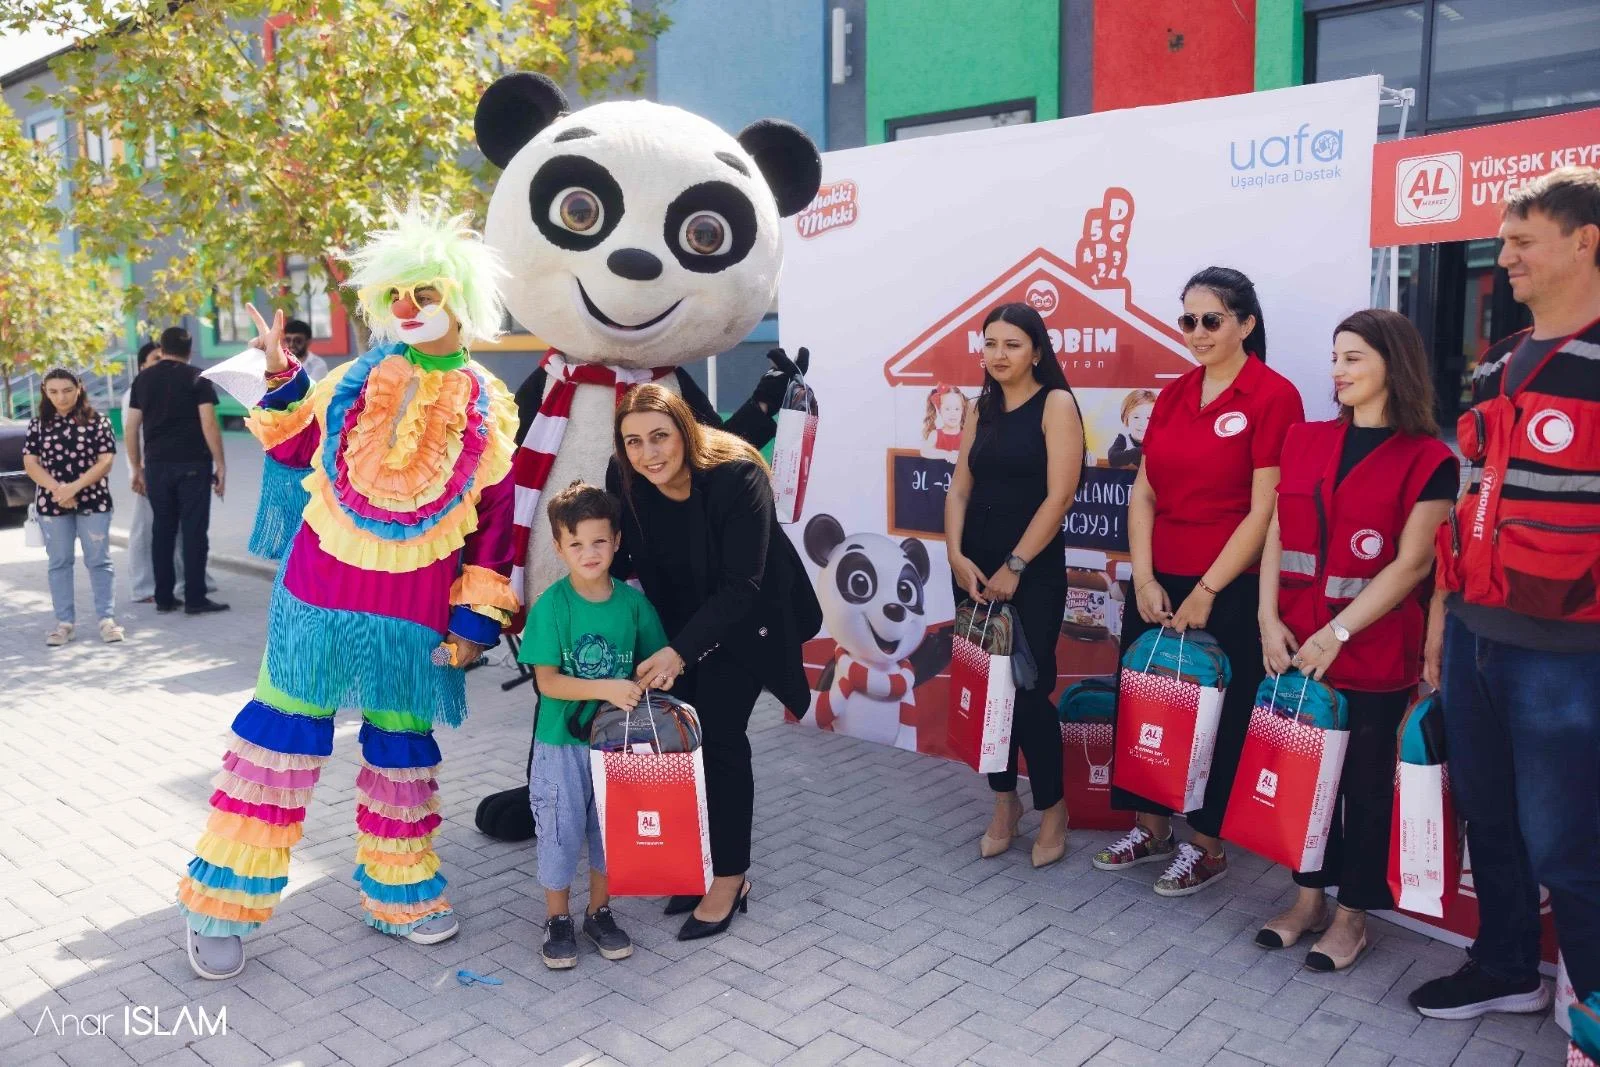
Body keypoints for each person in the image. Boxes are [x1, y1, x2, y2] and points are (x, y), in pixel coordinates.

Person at [176, 203, 521, 981]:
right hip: (317, 598)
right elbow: (298, 444)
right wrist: (276, 373)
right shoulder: (352, 379)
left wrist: (473, 623)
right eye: (394, 293)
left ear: (461, 297)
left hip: (414, 615)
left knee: (402, 754)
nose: (406, 307)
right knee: (276, 744)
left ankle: (398, 890)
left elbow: (496, 525)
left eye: (423, 290)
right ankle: (222, 902)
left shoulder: (491, 404)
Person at [1411, 166, 1600, 1020]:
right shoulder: (1492, 363)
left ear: (1584, 241)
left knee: (1569, 839)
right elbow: (1465, 501)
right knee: (1487, 817)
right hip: (1474, 637)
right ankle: (1508, 966)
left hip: (1569, 654)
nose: (1504, 257)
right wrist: (1440, 622)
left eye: (1522, 241)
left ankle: (1590, 1002)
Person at [1255, 308, 1457, 972]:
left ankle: (1352, 917)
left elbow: (1412, 564)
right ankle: (1307, 899)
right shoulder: (1303, 439)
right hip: (1294, 647)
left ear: (1392, 365)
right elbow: (1279, 531)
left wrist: (1337, 631)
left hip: (1369, 652)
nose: (1337, 370)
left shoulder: (1429, 459)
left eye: (1353, 358)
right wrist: (1266, 618)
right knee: (1303, 781)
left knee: (1363, 792)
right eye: (1335, 356)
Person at [1094, 266, 1304, 896]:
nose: (1197, 332)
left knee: (1221, 714)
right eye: (1187, 320)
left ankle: (1207, 846)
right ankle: (1150, 828)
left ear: (1247, 323)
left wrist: (1208, 589)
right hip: (1160, 580)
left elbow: (1264, 511)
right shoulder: (1176, 393)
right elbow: (1144, 494)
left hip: (1230, 585)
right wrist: (1146, 576)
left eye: (1211, 319)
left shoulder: (1273, 396)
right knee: (1149, 702)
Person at [606, 383, 822, 941]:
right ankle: (697, 863)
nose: (649, 453)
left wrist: (680, 652)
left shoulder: (737, 476)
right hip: (680, 623)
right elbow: (622, 558)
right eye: (634, 442)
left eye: (660, 436)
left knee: (721, 736)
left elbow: (742, 585)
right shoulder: (624, 477)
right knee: (684, 747)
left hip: (750, 619)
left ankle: (730, 877)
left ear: (684, 429)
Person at [944, 303, 1085, 867]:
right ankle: (1005, 803)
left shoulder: (1056, 405)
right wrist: (955, 554)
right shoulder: (982, 409)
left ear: (1037, 351)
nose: (998, 355)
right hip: (974, 569)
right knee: (987, 693)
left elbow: (1060, 497)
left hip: (1032, 573)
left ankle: (1053, 808)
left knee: (1027, 696)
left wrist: (1017, 565)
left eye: (1012, 345)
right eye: (990, 344)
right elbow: (958, 489)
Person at [518, 481, 665, 970]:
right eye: (575, 543)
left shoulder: (634, 605)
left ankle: (599, 912)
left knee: (612, 832)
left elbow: (653, 663)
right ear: (559, 548)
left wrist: (656, 674)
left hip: (619, 747)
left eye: (599, 541)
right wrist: (606, 687)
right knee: (560, 831)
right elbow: (549, 684)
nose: (589, 552)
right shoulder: (552, 607)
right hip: (561, 744)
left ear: (617, 541)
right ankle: (557, 918)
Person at [126, 326, 229, 615]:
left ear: (161, 347)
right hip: (193, 465)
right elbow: (209, 423)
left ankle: (164, 598)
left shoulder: (142, 380)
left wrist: (137, 468)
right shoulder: (198, 378)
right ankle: (195, 597)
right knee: (194, 532)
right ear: (190, 349)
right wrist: (220, 464)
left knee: (163, 531)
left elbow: (131, 427)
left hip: (156, 466)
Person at [22, 369, 122, 645]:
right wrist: (58, 490)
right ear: (44, 391)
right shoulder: (38, 425)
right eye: (53, 391)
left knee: (99, 560)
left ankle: (107, 619)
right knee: (59, 562)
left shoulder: (97, 422)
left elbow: (106, 461)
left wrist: (73, 488)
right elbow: (31, 464)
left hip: (94, 501)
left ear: (79, 388)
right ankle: (64, 623)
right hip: (52, 505)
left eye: (66, 390)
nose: (60, 397)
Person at [1108, 389, 1158, 469]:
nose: (1142, 423)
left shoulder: (1159, 440)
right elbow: (1113, 458)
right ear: (1126, 419)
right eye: (1136, 417)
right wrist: (1143, 451)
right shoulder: (1124, 437)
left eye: (1149, 418)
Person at [920, 384, 968, 461]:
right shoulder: (935, 434)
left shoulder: (966, 436)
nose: (953, 413)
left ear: (962, 410)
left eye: (957, 409)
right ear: (940, 411)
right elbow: (924, 451)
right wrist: (948, 454)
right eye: (947, 409)